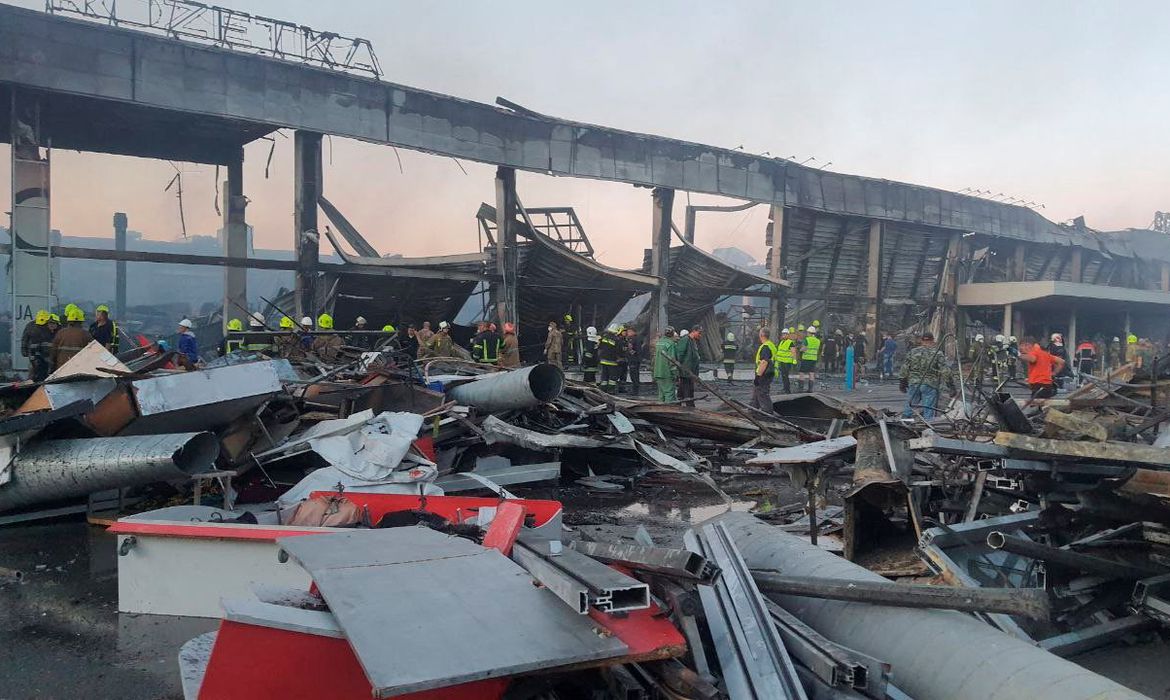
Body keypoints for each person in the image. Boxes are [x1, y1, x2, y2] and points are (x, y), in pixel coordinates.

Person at [899, 331, 954, 419]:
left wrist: (902, 382)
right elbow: (945, 371)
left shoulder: (913, 352)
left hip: (914, 383)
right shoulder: (937, 353)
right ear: (933, 340)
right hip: (930, 384)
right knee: (928, 408)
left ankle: (905, 420)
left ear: (921, 340)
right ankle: (927, 424)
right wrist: (951, 386)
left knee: (910, 405)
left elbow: (905, 368)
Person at [51, 305, 93, 370]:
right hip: (78, 368)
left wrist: (52, 367)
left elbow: (53, 353)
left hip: (61, 369)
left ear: (68, 321)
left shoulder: (60, 333)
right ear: (81, 322)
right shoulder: (86, 334)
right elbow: (93, 353)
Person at [21, 309, 53, 381]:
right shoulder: (45, 326)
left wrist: (24, 351)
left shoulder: (30, 325)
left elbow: (24, 339)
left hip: (40, 353)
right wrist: (24, 351)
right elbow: (25, 339)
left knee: (37, 370)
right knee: (37, 370)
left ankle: (34, 382)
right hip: (38, 353)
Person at [750, 328, 777, 412]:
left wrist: (758, 376)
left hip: (764, 374)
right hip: (768, 372)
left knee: (762, 393)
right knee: (757, 391)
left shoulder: (765, 347)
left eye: (759, 333)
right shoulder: (771, 345)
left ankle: (767, 413)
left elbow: (764, 362)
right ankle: (753, 410)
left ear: (762, 335)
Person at [652, 327, 680, 403]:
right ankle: (668, 409)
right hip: (666, 373)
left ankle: (660, 408)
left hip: (657, 372)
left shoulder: (659, 342)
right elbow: (672, 361)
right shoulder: (671, 344)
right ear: (673, 334)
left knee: (661, 394)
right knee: (669, 393)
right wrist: (675, 374)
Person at [677, 328, 701, 407]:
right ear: (694, 331)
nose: (700, 335)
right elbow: (680, 354)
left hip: (690, 371)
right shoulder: (685, 340)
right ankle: (689, 405)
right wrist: (680, 367)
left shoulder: (692, 341)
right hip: (686, 371)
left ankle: (680, 403)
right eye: (699, 333)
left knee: (685, 388)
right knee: (687, 389)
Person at [799, 325, 821, 392]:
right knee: (811, 373)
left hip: (806, 358)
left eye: (807, 332)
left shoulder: (807, 339)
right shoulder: (818, 341)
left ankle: (800, 388)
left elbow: (804, 349)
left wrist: (800, 350)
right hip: (814, 358)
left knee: (802, 373)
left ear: (809, 333)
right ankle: (810, 389)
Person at [597, 325, 620, 392]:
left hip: (603, 360)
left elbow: (600, 347)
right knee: (612, 377)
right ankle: (611, 390)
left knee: (604, 376)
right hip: (612, 361)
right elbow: (618, 350)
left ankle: (603, 389)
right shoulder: (616, 340)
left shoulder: (604, 337)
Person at [621, 326, 642, 395]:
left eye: (629, 331)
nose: (628, 333)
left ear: (633, 332)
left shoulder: (635, 339)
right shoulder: (630, 339)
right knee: (632, 375)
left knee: (634, 375)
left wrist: (635, 357)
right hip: (631, 360)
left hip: (634, 360)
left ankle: (635, 391)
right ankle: (634, 390)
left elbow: (637, 350)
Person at [775, 328, 797, 394]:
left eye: (785, 334)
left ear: (788, 335)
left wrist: (794, 360)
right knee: (783, 376)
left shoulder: (790, 342)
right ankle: (785, 388)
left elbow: (793, 352)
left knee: (785, 376)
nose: (783, 335)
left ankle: (787, 390)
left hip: (787, 362)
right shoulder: (781, 342)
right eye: (783, 334)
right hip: (781, 362)